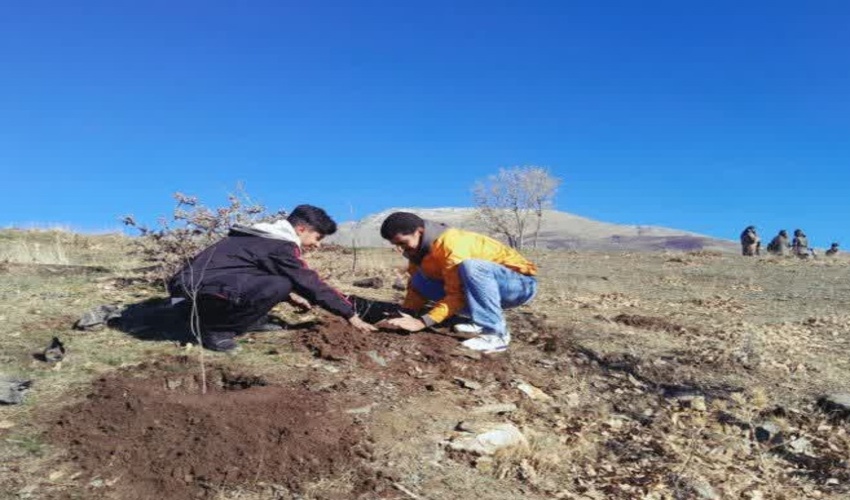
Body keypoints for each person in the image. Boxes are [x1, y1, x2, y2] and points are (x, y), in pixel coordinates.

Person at [168, 205, 376, 351]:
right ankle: (216, 331)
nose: (318, 244)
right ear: (301, 229)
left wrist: (288, 297)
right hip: (192, 301)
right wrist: (350, 314)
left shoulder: (255, 238)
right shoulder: (279, 245)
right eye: (317, 237)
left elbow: (241, 272)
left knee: (280, 284)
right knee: (281, 284)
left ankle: (246, 322)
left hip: (181, 297)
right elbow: (309, 282)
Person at [378, 212, 538, 353]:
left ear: (419, 232)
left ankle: (496, 334)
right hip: (480, 288)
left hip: (518, 285)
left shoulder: (452, 245)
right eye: (395, 245)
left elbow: (457, 294)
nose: (400, 249)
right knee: (419, 279)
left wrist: (422, 322)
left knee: (472, 267)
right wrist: (407, 313)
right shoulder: (417, 251)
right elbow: (417, 288)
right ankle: (478, 319)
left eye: (402, 243)